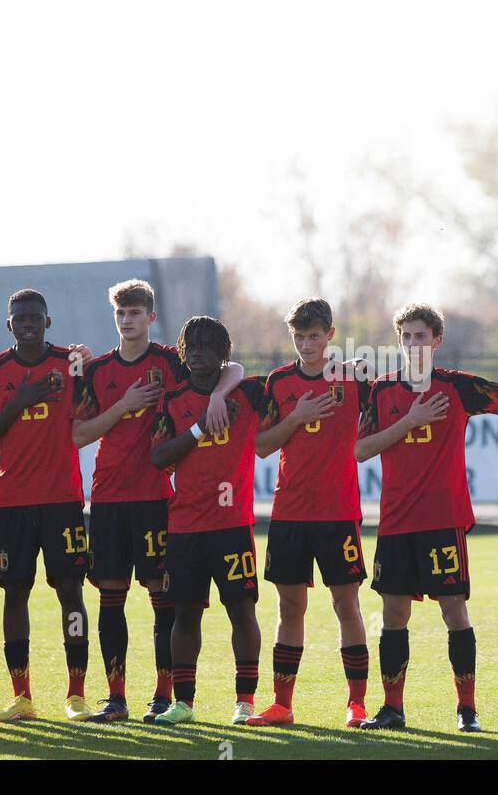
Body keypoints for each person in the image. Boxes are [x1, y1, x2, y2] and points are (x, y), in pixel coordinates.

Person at [72, 279, 242, 723]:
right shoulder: (98, 371)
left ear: (151, 317)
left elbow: (233, 368)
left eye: (135, 312)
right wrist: (124, 406)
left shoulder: (172, 361)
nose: (127, 320)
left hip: (156, 498)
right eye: (120, 313)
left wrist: (221, 393)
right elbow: (77, 435)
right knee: (110, 599)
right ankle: (116, 698)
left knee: (161, 599)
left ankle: (164, 697)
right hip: (107, 497)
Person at [356, 303, 498, 732]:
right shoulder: (384, 391)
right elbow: (361, 450)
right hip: (397, 522)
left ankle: (467, 710)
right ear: (398, 340)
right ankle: (392, 709)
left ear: (437, 341)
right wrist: (410, 419)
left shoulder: (457, 387)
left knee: (453, 612)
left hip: (443, 519)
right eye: (406, 336)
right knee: (393, 616)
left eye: (421, 336)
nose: (413, 344)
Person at [0, 289, 94, 722]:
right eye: (19, 318)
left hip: (63, 500)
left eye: (35, 317)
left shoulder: (71, 363)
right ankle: (22, 696)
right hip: (14, 502)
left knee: (71, 593)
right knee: (14, 593)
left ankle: (76, 695)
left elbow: (92, 402)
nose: (27, 323)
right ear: (9, 325)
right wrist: (19, 402)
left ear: (47, 321)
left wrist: (85, 358)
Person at [247, 298, 371, 728]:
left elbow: (410, 376)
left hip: (338, 512)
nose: (306, 344)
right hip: (289, 512)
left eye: (314, 336)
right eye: (299, 337)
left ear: (330, 335)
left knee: (346, 606)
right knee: (289, 607)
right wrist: (297, 416)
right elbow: (262, 446)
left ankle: (356, 704)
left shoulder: (354, 377)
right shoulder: (279, 382)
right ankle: (282, 704)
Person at [148, 316, 265, 726]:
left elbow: (249, 374)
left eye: (207, 345)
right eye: (191, 345)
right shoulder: (172, 400)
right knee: (185, 614)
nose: (198, 352)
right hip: (185, 527)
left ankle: (245, 701)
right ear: (182, 352)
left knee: (241, 611)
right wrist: (199, 427)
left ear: (223, 353)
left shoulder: (247, 393)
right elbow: (159, 457)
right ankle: (185, 703)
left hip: (232, 525)